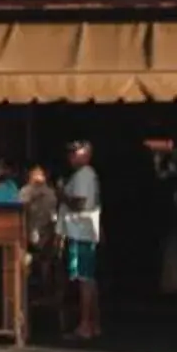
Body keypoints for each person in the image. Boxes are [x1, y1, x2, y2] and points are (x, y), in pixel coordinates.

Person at [61, 140, 103, 341]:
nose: (70, 157)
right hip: (85, 231)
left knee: (83, 279)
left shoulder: (83, 176)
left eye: (74, 154)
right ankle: (94, 324)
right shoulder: (87, 175)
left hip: (80, 232)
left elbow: (80, 203)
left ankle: (85, 324)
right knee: (89, 279)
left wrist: (62, 195)